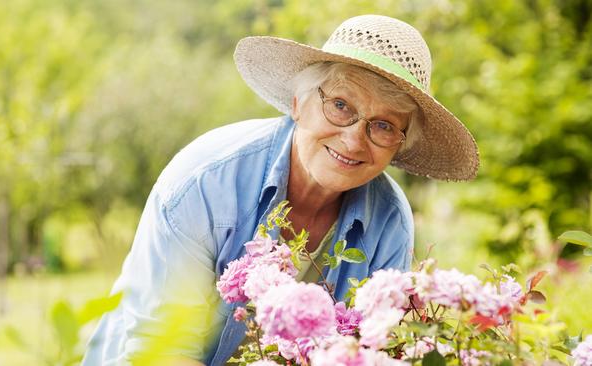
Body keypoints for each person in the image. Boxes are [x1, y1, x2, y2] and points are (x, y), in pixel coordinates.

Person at [82, 14, 479, 366]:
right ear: (297, 103)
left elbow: (369, 353)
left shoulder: (390, 221)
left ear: (399, 145)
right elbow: (160, 350)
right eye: (340, 105)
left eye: (384, 125)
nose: (354, 140)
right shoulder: (205, 183)